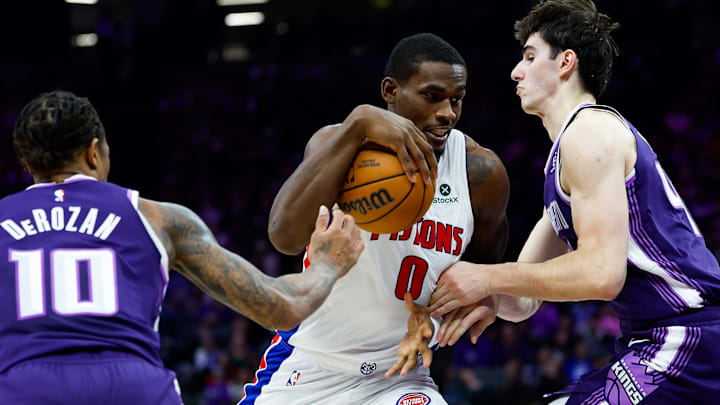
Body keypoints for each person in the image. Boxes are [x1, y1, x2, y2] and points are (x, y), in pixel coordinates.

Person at [429, 1, 720, 404]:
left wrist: (486, 276)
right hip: (660, 343)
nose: (516, 71)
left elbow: (601, 275)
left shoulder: (589, 132)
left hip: (689, 341)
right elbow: (524, 300)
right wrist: (488, 300)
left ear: (566, 62)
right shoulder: (568, 153)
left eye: (530, 57)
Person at [0, 91, 364, 404]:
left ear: (26, 161)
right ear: (95, 152)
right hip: (131, 388)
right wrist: (327, 265)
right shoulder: (159, 219)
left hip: (22, 388)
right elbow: (283, 307)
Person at [241, 33, 510, 405]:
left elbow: (478, 283)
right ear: (391, 90)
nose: (447, 112)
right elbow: (284, 236)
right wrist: (359, 122)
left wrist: (428, 317)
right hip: (308, 369)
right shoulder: (338, 144)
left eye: (456, 99)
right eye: (432, 96)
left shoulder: (480, 173)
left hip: (398, 378)